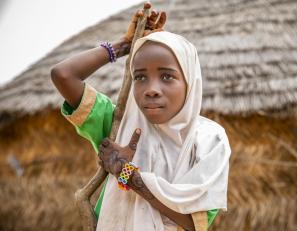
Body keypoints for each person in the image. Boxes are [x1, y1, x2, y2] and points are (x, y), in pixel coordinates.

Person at [51, 3, 231, 231]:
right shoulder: (118, 123)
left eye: (167, 77)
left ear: (190, 82)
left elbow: (194, 223)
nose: (151, 89)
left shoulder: (209, 140)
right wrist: (125, 44)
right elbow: (63, 75)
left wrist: (127, 174)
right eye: (140, 77)